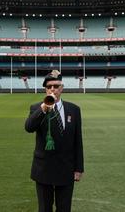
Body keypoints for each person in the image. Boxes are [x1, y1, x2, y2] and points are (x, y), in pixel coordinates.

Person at [25, 70, 84, 212]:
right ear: (45, 89)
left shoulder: (74, 109)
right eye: (49, 86)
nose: (53, 89)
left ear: (61, 88)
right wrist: (43, 109)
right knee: (44, 208)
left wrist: (79, 168)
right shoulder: (36, 108)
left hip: (66, 168)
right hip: (44, 168)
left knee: (64, 208)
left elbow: (78, 140)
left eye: (56, 86)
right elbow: (29, 127)